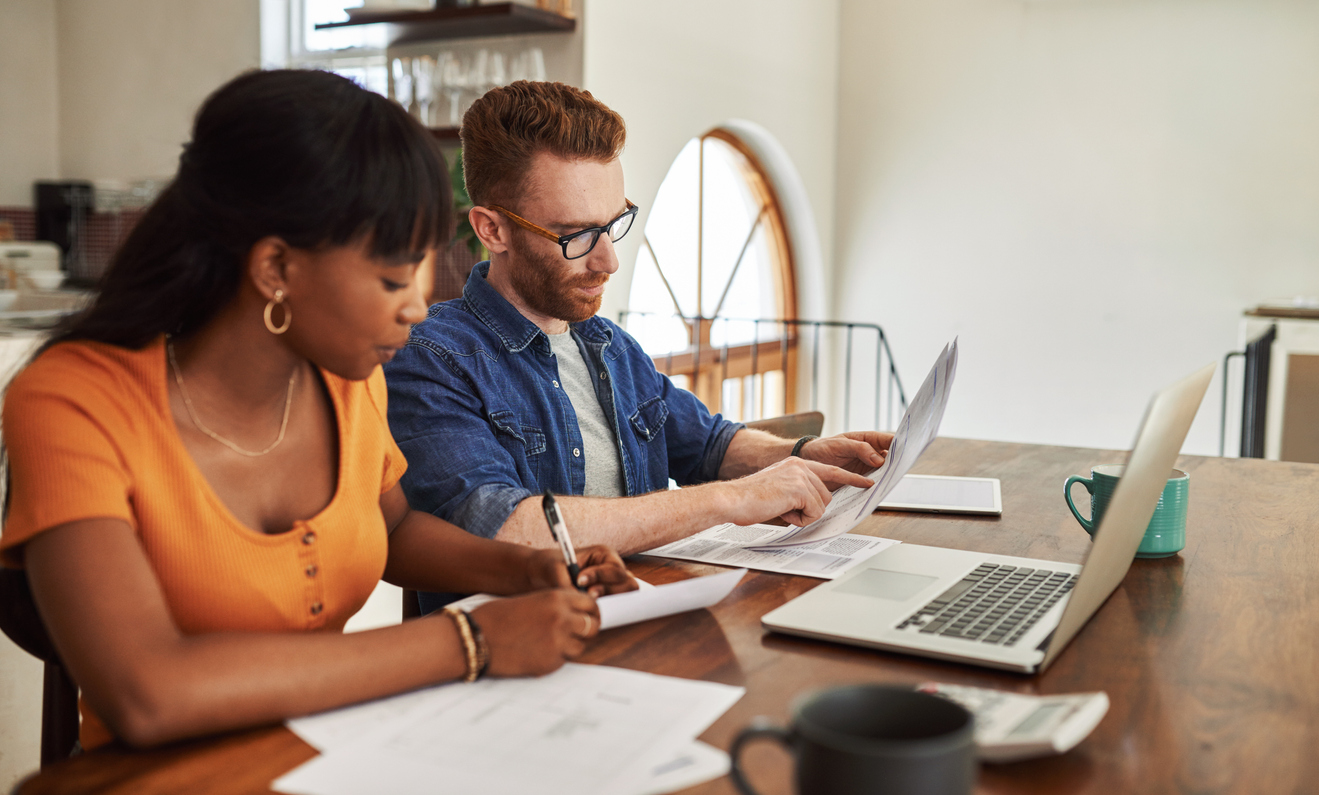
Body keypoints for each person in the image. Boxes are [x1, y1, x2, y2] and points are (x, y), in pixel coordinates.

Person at [0, 70, 635, 751]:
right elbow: (145, 692)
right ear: (275, 268)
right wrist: (469, 639)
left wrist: (526, 570)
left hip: (335, 754)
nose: (417, 308)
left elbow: (390, 532)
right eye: (393, 280)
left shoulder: (349, 379)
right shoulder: (72, 400)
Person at [383, 81, 893, 614]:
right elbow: (502, 528)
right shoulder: (431, 358)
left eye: (613, 224)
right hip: (520, 656)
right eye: (576, 235)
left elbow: (707, 444)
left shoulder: (609, 346)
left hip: (641, 624)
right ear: (493, 230)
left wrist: (801, 454)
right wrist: (729, 500)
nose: (608, 261)